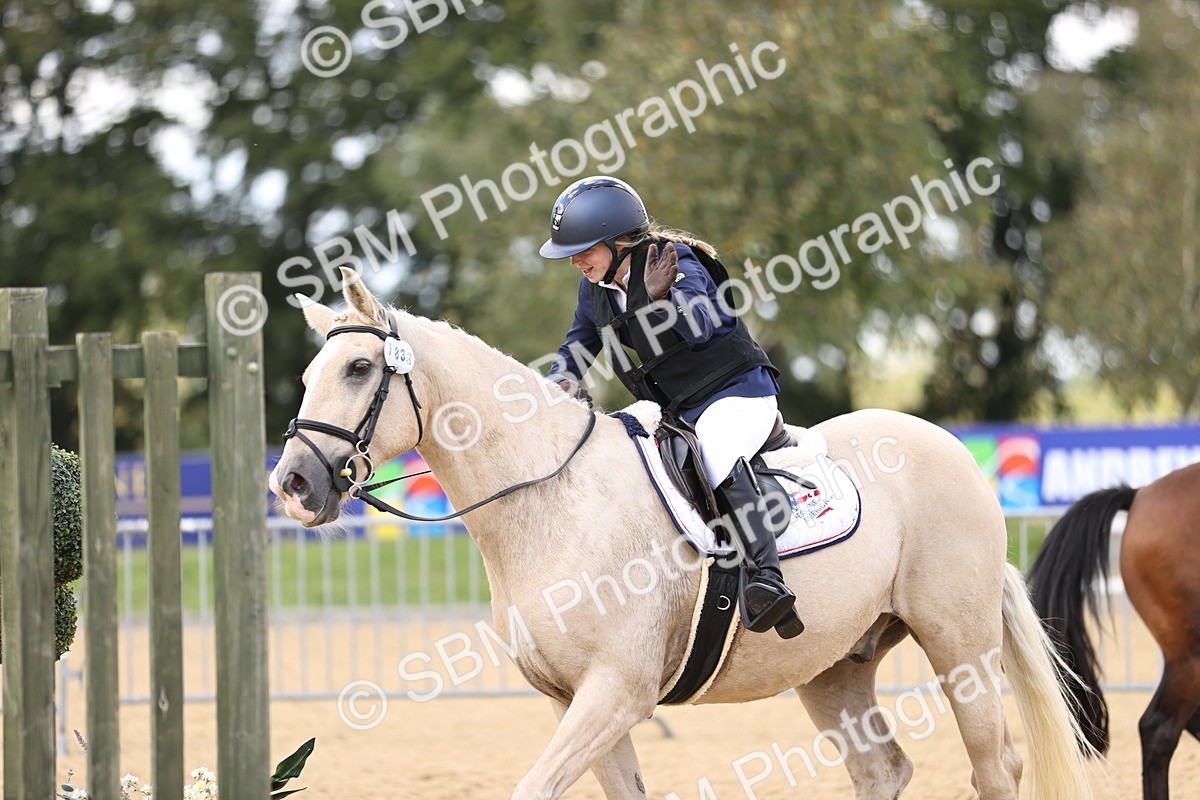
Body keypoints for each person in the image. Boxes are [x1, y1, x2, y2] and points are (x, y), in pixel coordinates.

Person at [539, 175, 803, 639]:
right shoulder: (593, 290)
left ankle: (768, 578)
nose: (576, 262)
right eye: (571, 254)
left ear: (618, 242)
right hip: (678, 410)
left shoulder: (673, 261)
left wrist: (666, 299)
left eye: (584, 250)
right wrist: (553, 386)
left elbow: (702, 326)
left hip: (737, 393)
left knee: (716, 452)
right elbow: (578, 346)